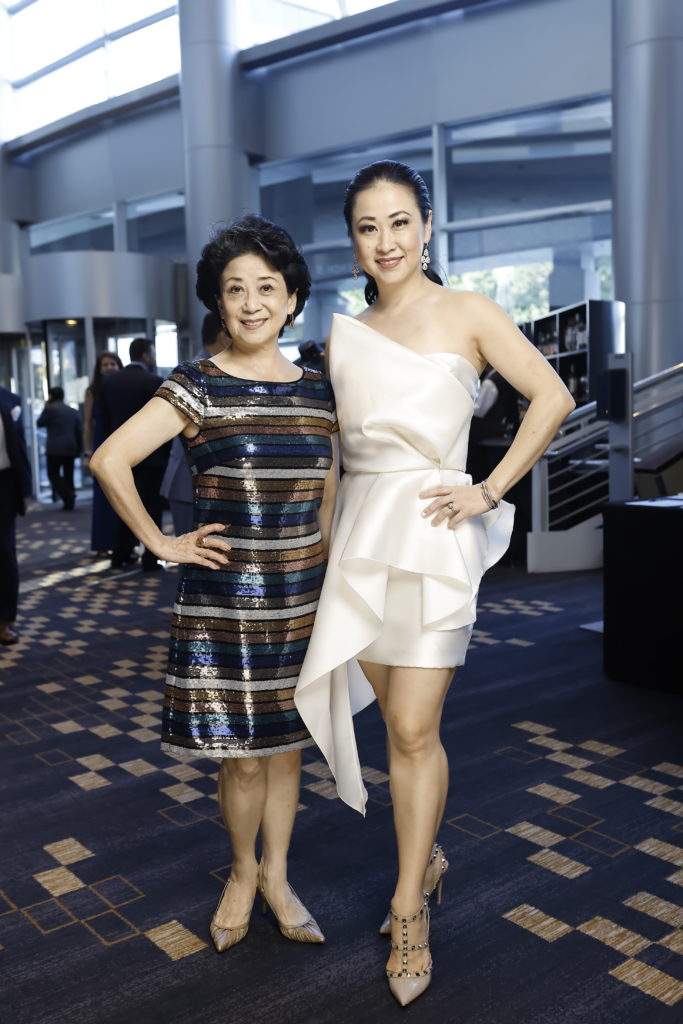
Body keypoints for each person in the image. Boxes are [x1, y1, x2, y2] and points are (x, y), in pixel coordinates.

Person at [295, 160, 575, 1006]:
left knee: (414, 729)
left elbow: (551, 397)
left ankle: (408, 901)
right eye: (367, 227)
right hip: (358, 542)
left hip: (432, 531)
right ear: (352, 243)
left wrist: (489, 490)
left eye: (399, 222)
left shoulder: (468, 312)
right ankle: (427, 853)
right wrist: (318, 548)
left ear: (426, 228)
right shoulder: (343, 335)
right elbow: (339, 457)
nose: (385, 241)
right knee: (394, 726)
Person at [91, 215, 338, 954]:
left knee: (290, 746)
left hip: (303, 597)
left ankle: (278, 875)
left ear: (292, 297)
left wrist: (323, 564)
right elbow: (109, 458)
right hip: (226, 599)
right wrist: (160, 541)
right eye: (236, 289)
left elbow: (329, 488)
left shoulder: (321, 390)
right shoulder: (196, 385)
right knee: (243, 752)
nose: (253, 301)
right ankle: (240, 871)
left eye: (268, 286)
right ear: (218, 302)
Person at [99, 338, 170, 570]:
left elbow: (104, 421)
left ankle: (121, 554)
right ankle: (150, 558)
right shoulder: (154, 382)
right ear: (146, 356)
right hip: (152, 458)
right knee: (151, 508)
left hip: (119, 457)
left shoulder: (110, 383)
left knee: (124, 504)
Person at [160, 312, 229, 537]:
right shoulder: (196, 373)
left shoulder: (208, 369)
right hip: (188, 484)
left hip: (194, 484)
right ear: (223, 336)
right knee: (192, 562)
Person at [82, 351, 124, 554]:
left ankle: (125, 545)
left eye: (113, 364)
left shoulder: (124, 388)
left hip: (122, 447)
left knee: (123, 494)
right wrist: (87, 452)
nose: (109, 367)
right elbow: (88, 423)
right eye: (105, 365)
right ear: (98, 369)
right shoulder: (92, 391)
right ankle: (103, 545)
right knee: (103, 498)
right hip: (100, 446)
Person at [0, 386, 32, 645]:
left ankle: (4, 621)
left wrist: (25, 487)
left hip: (4, 485)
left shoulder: (9, 399)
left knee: (5, 554)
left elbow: (19, 445)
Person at [37, 386, 82, 511]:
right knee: (69, 474)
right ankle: (70, 498)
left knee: (53, 474)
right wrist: (80, 448)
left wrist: (46, 406)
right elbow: (79, 431)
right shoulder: (72, 411)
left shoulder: (49, 409)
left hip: (55, 448)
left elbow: (39, 423)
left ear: (51, 396)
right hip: (70, 447)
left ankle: (68, 496)